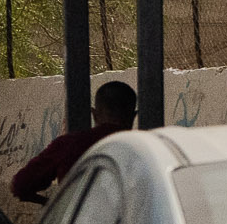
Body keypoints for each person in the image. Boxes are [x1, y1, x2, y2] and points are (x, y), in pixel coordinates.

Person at [8, 80, 139, 205]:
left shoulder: (70, 144)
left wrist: (52, 204)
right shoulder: (146, 149)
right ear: (134, 116)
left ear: (94, 114)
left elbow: (20, 185)